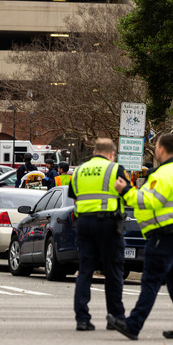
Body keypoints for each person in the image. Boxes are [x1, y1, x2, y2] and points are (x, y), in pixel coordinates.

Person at [108, 133, 173, 341]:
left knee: (150, 281)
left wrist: (125, 190)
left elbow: (148, 200)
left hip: (164, 234)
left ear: (161, 149)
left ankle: (133, 324)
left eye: (156, 146)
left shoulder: (164, 174)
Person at [67, 138, 128, 331]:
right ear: (112, 153)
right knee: (113, 270)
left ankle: (82, 319)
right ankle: (115, 316)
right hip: (108, 223)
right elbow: (127, 193)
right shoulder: (115, 169)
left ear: (94, 152)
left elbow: (75, 198)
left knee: (85, 270)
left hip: (83, 223)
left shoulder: (78, 171)